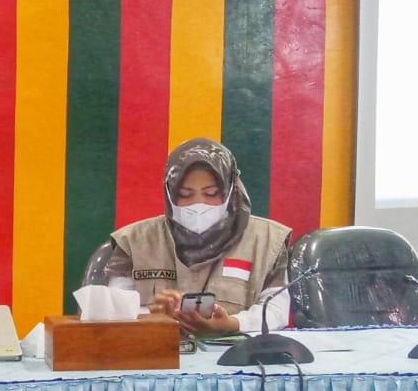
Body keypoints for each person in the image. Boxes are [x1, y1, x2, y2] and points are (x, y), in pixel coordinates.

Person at [104, 137, 291, 335]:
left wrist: (233, 323)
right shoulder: (133, 242)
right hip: (154, 349)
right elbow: (113, 309)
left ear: (231, 190)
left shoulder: (268, 241)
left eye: (211, 193)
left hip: (236, 351)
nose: (198, 204)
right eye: (185, 194)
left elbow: (276, 311)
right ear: (169, 193)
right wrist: (153, 317)